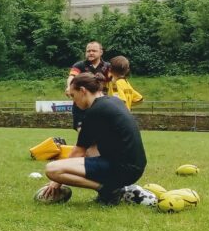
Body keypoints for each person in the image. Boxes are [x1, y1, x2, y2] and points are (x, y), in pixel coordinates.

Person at [40, 72, 147, 205]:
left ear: (83, 91)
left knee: (52, 169)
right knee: (91, 150)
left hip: (123, 169)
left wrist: (56, 182)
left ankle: (108, 190)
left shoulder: (95, 112)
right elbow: (90, 148)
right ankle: (112, 186)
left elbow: (78, 152)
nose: (74, 101)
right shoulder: (113, 101)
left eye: (73, 95)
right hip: (135, 166)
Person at [66, 41, 111, 130]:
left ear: (101, 52)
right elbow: (71, 77)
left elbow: (114, 80)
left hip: (101, 104)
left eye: (94, 51)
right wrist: (68, 87)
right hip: (82, 104)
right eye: (88, 51)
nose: (90, 53)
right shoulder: (79, 65)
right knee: (81, 130)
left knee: (101, 131)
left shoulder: (108, 66)